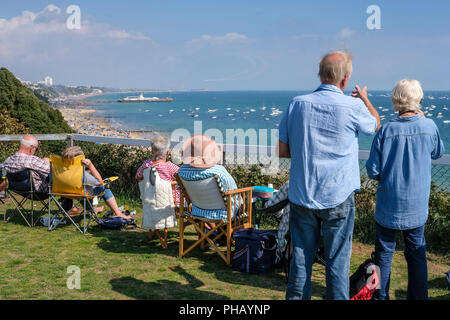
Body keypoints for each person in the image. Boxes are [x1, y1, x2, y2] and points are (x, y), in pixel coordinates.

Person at [278, 50, 380, 300]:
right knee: (337, 262)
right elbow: (375, 124)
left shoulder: (297, 104)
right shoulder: (353, 106)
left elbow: (283, 150)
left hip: (303, 195)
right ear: (345, 79)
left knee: (300, 260)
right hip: (338, 195)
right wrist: (365, 100)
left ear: (320, 75)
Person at [366, 79, 444, 300]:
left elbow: (372, 170)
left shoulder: (387, 130)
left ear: (396, 99)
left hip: (388, 204)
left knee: (383, 255)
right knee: (417, 254)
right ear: (417, 99)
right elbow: (438, 152)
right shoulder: (429, 126)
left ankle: (380, 296)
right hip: (417, 206)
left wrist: (389, 176)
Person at [177, 134, 237, 222]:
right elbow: (232, 189)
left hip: (197, 211)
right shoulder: (218, 171)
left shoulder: (182, 171)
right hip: (223, 214)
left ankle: (210, 232)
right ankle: (230, 233)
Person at [61, 146, 131, 219]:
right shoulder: (82, 175)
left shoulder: (60, 172)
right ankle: (118, 213)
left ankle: (94, 210)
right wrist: (91, 166)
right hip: (82, 196)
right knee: (104, 187)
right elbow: (100, 182)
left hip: (65, 193)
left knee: (84, 190)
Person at [136, 134, 180, 204]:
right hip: (170, 201)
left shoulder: (147, 165)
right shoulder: (170, 167)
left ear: (152, 151)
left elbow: (138, 176)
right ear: (168, 152)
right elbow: (182, 175)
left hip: (151, 198)